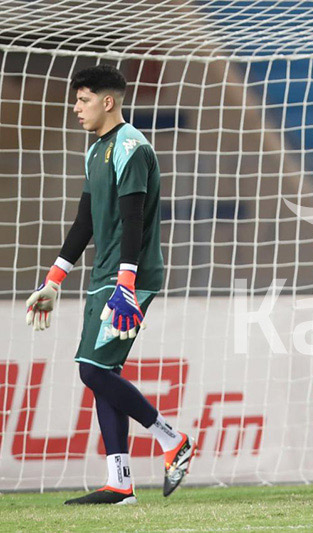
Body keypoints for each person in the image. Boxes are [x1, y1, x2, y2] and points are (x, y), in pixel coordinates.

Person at [25, 64, 195, 504]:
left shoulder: (131, 147)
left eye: (82, 100)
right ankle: (120, 482)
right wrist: (53, 281)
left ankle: (169, 437)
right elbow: (86, 221)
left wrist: (126, 283)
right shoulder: (95, 150)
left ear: (108, 101)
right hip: (106, 273)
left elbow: (134, 218)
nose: (76, 109)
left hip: (129, 275)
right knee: (104, 375)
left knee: (92, 369)